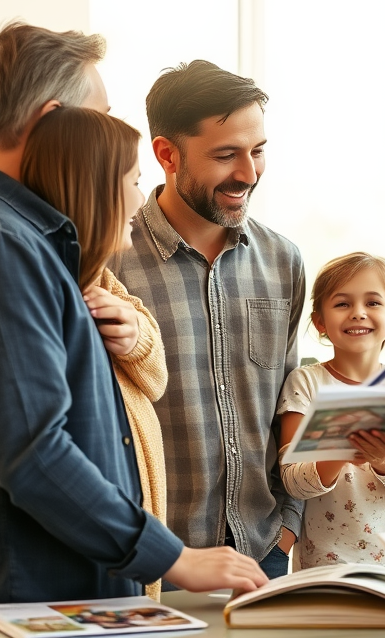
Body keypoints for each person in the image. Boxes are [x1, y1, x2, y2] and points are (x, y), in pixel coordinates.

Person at [0, 24, 266, 614]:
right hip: (21, 613)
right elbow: (34, 453)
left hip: (68, 607)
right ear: (53, 121)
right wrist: (173, 558)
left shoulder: (34, 242)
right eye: (103, 117)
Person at [116, 60, 306, 579]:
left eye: (258, 151)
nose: (248, 173)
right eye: (226, 155)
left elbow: (293, 400)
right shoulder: (108, 261)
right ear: (166, 154)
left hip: (264, 553)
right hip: (153, 563)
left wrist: (289, 522)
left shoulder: (283, 261)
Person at [20, 105, 168, 601]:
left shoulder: (102, 279)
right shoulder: (49, 289)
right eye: (134, 181)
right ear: (100, 190)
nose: (140, 199)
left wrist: (138, 338)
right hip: (91, 570)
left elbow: (156, 380)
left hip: (129, 573)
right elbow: (39, 449)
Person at [277, 252, 385, 569]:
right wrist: (340, 450)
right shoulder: (305, 383)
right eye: (342, 304)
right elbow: (292, 483)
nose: (358, 313)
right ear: (320, 321)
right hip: (324, 565)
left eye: (373, 302)